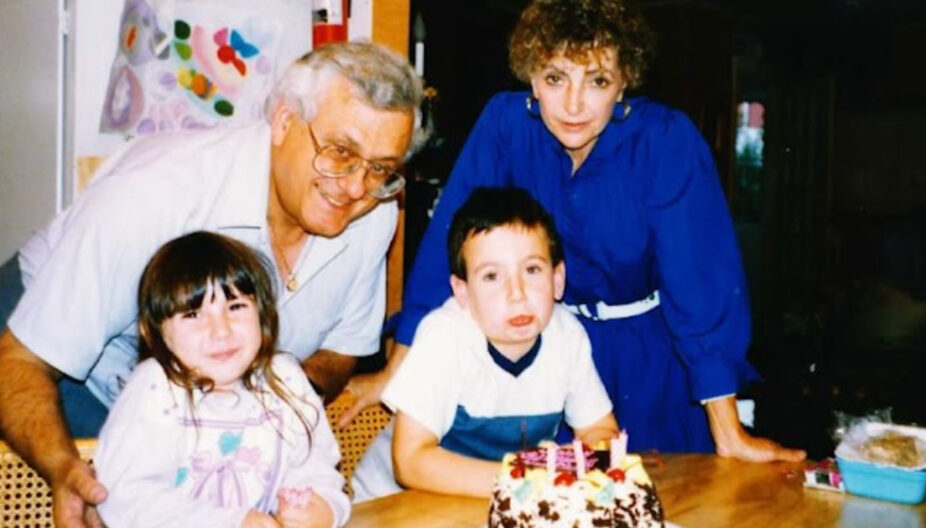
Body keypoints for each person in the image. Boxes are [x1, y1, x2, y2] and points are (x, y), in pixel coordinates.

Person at [342, 0, 805, 462]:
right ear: (532, 78)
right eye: (555, 78)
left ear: (625, 80)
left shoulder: (666, 141)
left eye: (598, 81)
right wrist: (399, 366)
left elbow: (698, 284)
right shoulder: (506, 125)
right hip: (548, 355)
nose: (573, 104)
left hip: (651, 363)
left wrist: (727, 429)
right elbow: (450, 247)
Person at [0, 41, 421, 528]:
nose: (354, 187)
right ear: (283, 121)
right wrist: (63, 469)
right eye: (340, 153)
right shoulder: (157, 194)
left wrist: (268, 407)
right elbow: (21, 361)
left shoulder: (375, 210)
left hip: (206, 405)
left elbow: (341, 350)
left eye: (382, 169)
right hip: (55, 355)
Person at [352, 187, 618, 500]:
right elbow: (409, 463)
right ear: (461, 292)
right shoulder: (444, 336)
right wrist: (526, 481)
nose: (516, 293)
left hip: (491, 505)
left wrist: (581, 469)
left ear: (557, 279)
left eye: (532, 270)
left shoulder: (567, 336)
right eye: (492, 276)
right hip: (391, 507)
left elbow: (600, 431)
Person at [94, 231, 349, 528]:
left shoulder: (286, 380)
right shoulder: (155, 388)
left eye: (236, 307)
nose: (221, 331)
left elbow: (316, 468)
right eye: (192, 314)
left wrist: (322, 507)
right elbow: (127, 498)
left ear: (263, 315)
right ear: (152, 332)